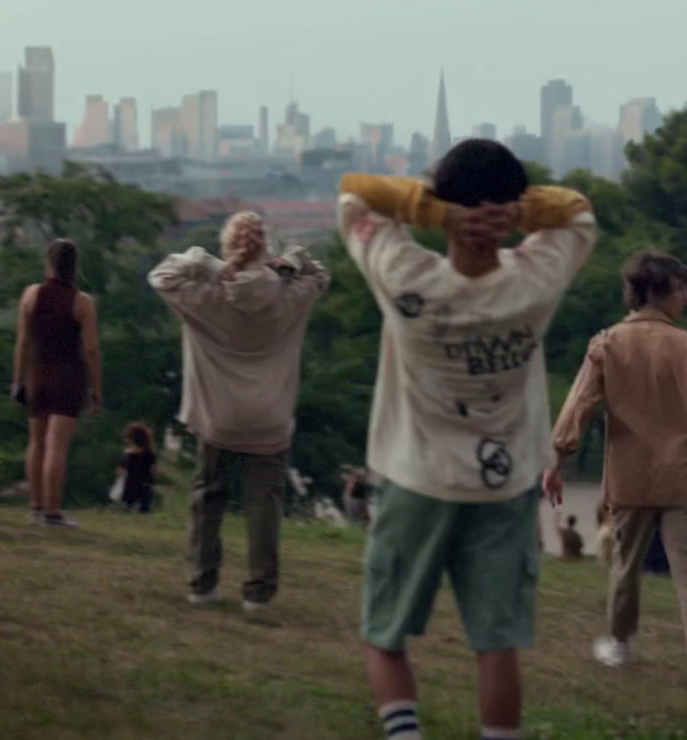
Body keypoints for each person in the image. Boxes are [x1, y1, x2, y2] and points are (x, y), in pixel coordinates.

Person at [339, 141, 597, 740]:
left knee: (385, 635)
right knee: (496, 643)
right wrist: (515, 211)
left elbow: (353, 192)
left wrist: (436, 212)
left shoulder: (404, 276)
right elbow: (579, 212)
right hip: (503, 486)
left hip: (417, 477)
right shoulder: (535, 282)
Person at [548, 250, 687, 710]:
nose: (686, 298)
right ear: (658, 291)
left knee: (625, 564)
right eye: (680, 288)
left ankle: (619, 644)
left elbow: (579, 405)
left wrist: (557, 457)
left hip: (630, 475)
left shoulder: (607, 344)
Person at [149, 212, 330, 612]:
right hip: (271, 416)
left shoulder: (206, 296)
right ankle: (259, 593)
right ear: (266, 247)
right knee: (264, 504)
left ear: (227, 247)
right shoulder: (290, 295)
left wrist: (207, 263)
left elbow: (161, 276)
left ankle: (203, 583)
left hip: (218, 416)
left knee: (208, 497)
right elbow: (320, 276)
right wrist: (293, 260)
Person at [15, 239, 102, 529]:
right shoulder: (83, 302)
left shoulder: (31, 295)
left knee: (36, 442)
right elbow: (90, 350)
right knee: (56, 447)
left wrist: (18, 379)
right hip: (68, 376)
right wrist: (96, 387)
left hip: (37, 375)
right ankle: (53, 510)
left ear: (48, 262)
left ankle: (35, 506)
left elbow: (23, 342)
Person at [118, 422, 157, 514]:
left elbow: (119, 472)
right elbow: (154, 471)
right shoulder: (150, 454)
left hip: (130, 486)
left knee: (128, 509)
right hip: (145, 486)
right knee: (144, 510)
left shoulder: (127, 454)